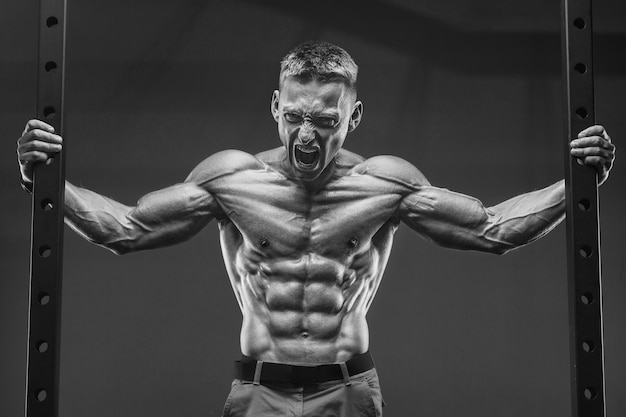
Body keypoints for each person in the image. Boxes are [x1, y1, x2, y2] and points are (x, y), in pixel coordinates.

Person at [17, 41, 615, 417]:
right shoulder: (233, 181)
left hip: (349, 391)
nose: (308, 134)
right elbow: (125, 228)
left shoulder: (385, 185)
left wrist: (576, 183)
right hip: (258, 393)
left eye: (325, 120)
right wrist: (46, 182)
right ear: (276, 108)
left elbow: (490, 230)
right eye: (296, 116)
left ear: (351, 116)